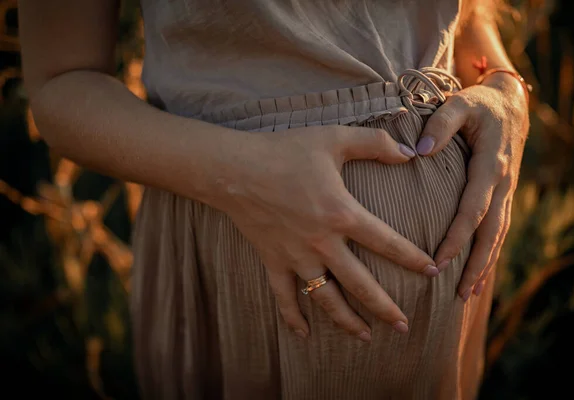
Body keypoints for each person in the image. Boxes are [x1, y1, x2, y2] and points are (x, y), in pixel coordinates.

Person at [19, 0, 529, 398]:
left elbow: (462, 19)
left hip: (441, 239)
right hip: (227, 232)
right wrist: (243, 175)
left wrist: (507, 89)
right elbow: (63, 83)